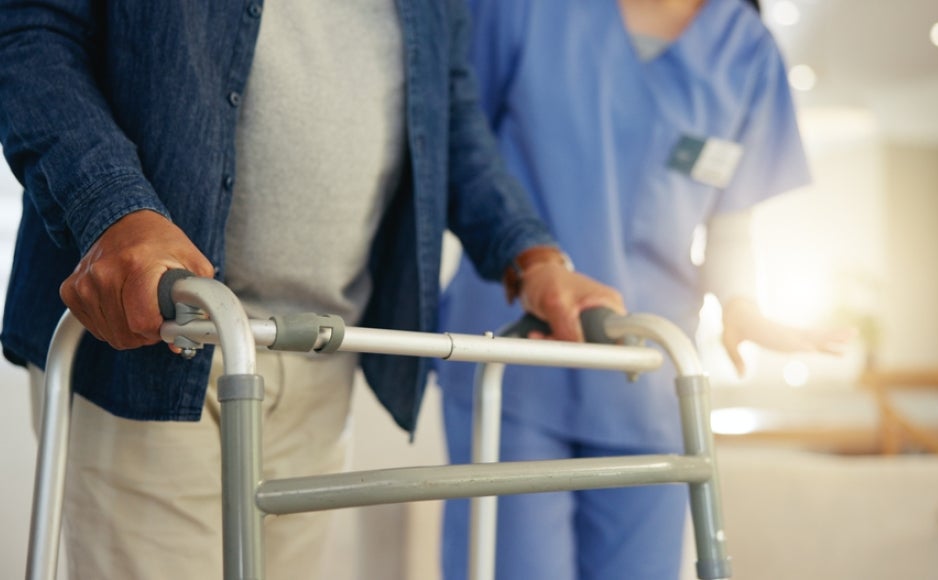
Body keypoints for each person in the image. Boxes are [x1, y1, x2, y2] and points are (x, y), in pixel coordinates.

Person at [0, 1, 625, 579]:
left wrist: (531, 255)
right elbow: (31, 31)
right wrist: (113, 210)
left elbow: (449, 109)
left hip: (321, 351)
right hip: (169, 342)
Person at [435, 0, 853, 579]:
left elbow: (729, 223)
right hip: (514, 354)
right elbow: (459, 143)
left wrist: (741, 305)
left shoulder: (745, 48)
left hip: (649, 373)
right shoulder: (524, 10)